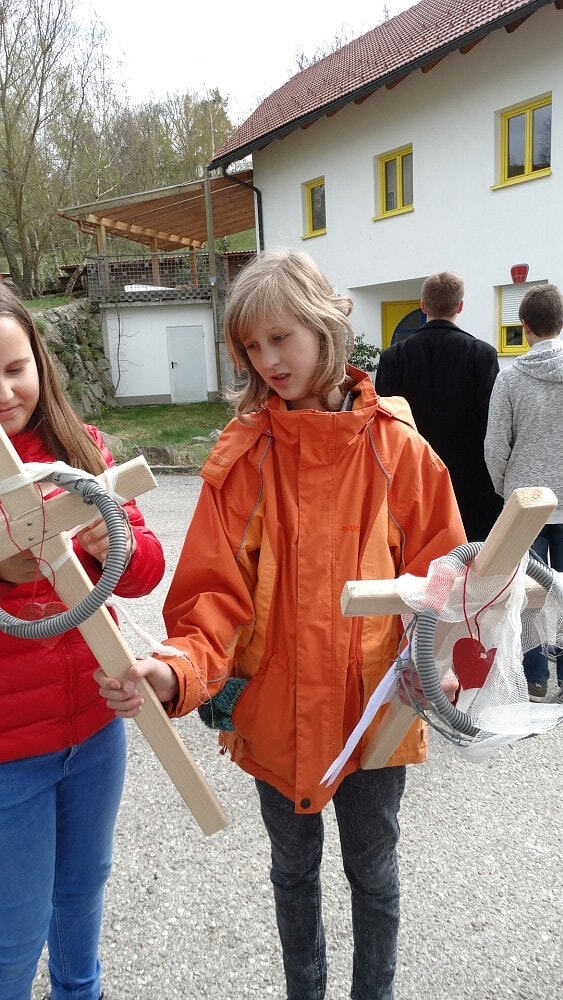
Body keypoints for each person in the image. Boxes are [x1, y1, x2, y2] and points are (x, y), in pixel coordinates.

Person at [96, 250, 465, 1000]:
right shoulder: (242, 460)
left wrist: (443, 662)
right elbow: (213, 598)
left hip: (374, 709)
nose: (267, 361)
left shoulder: (399, 450)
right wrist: (175, 670)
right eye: (251, 346)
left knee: (374, 868)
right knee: (292, 871)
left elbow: (443, 579)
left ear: (325, 328)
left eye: (280, 338)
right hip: (274, 712)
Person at [0, 285, 165, 1000]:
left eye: (15, 368)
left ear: (39, 362)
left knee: (84, 886)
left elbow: (146, 570)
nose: (4, 391)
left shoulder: (81, 450)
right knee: (15, 927)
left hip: (96, 727)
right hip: (10, 749)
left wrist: (112, 543)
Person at [375, 271, 502, 542]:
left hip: (413, 479)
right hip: (472, 484)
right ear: (460, 306)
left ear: (423, 306)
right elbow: (492, 424)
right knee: (473, 560)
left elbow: (383, 426)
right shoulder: (482, 355)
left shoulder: (393, 358)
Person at [485, 284, 563, 702]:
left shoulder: (511, 378)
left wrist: (506, 491)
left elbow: (496, 446)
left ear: (525, 327)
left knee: (527, 593)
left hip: (526, 503)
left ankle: (534, 678)